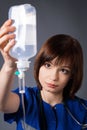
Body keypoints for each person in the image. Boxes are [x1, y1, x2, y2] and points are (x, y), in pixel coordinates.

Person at [0, 19, 87, 130]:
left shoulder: (83, 110)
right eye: (48, 65)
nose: (53, 77)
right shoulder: (26, 99)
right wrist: (9, 65)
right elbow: (2, 103)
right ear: (39, 64)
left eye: (64, 70)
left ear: (72, 75)